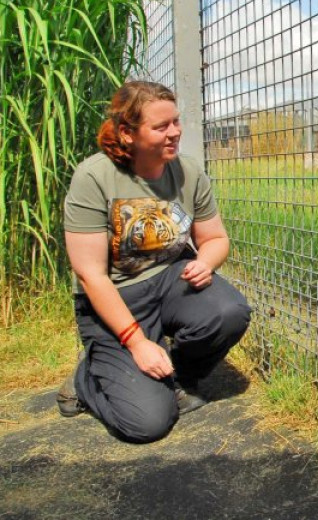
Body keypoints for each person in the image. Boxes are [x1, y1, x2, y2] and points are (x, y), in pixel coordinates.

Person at [57, 81, 251, 444]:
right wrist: (135, 342)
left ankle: (175, 376)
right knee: (148, 424)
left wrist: (207, 262)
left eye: (176, 122)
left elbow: (215, 239)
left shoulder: (188, 172)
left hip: (170, 282)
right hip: (114, 299)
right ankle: (89, 378)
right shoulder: (94, 177)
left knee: (229, 312)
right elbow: (91, 274)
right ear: (128, 134)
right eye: (161, 126)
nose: (174, 132)